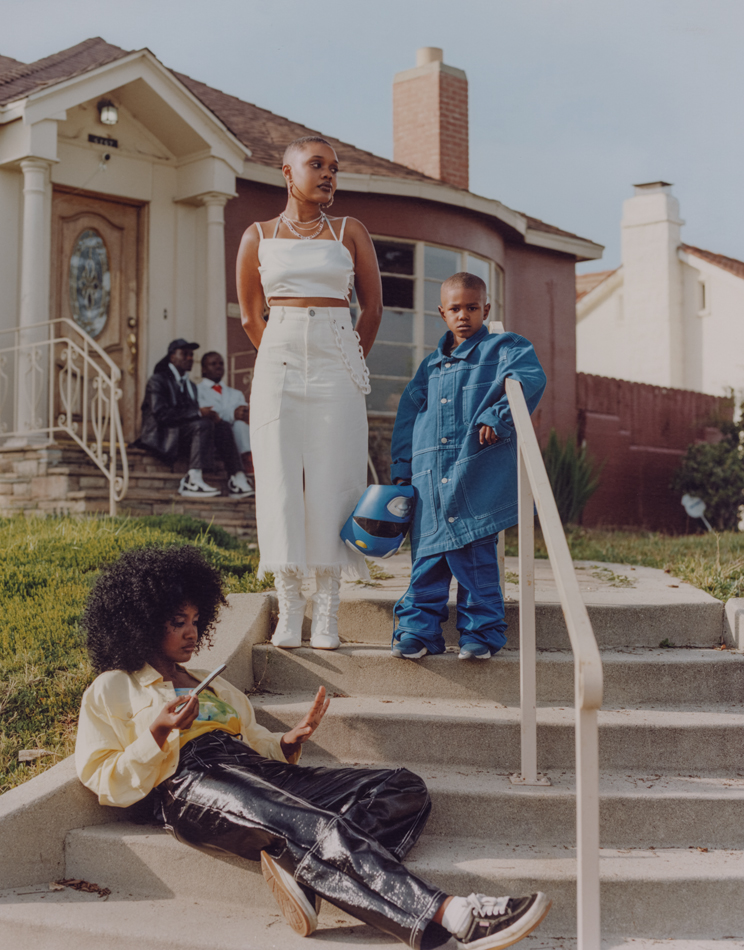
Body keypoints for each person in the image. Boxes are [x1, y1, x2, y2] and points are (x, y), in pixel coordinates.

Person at [75, 546, 552, 950]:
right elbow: (103, 780)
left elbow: (254, 744)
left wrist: (286, 741)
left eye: (197, 620)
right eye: (178, 622)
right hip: (189, 783)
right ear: (139, 622)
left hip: (255, 771)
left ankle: (303, 870)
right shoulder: (114, 688)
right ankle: (453, 915)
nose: (191, 632)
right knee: (310, 824)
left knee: (402, 786)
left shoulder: (214, 687)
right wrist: (156, 734)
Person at [236, 135, 383, 651]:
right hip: (278, 362)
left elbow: (372, 309)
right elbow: (252, 316)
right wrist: (280, 348)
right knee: (278, 476)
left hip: (336, 361)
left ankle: (326, 609)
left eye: (334, 168)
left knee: (335, 477)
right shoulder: (257, 235)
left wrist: (347, 355)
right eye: (316, 165)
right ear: (287, 171)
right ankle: (289, 602)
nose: (328, 175)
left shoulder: (350, 231)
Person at [390, 274, 547, 660]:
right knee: (426, 555)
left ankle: (481, 634)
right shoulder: (429, 367)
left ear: (486, 310)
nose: (464, 316)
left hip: (473, 473)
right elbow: (408, 414)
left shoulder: (503, 348)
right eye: (455, 309)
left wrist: (498, 415)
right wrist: (402, 466)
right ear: (442, 313)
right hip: (429, 475)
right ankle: (417, 631)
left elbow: (529, 377)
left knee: (475, 555)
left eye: (472, 308)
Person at [138, 338, 253, 498]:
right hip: (160, 435)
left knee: (223, 426)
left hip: (180, 434)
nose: (190, 358)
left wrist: (211, 417)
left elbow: (190, 414)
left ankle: (237, 479)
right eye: (185, 354)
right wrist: (198, 413)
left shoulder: (189, 385)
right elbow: (161, 414)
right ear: (172, 357)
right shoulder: (158, 380)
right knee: (203, 423)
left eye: (191, 355)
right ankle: (193, 479)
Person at [197, 350, 254, 495]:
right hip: (214, 437)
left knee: (241, 424)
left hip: (234, 436)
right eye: (213, 364)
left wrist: (233, 415)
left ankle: (246, 464)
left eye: (221, 363)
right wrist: (232, 414)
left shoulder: (235, 393)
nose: (218, 367)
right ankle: (239, 473)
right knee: (225, 425)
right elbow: (211, 415)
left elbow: (241, 414)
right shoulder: (197, 391)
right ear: (203, 368)